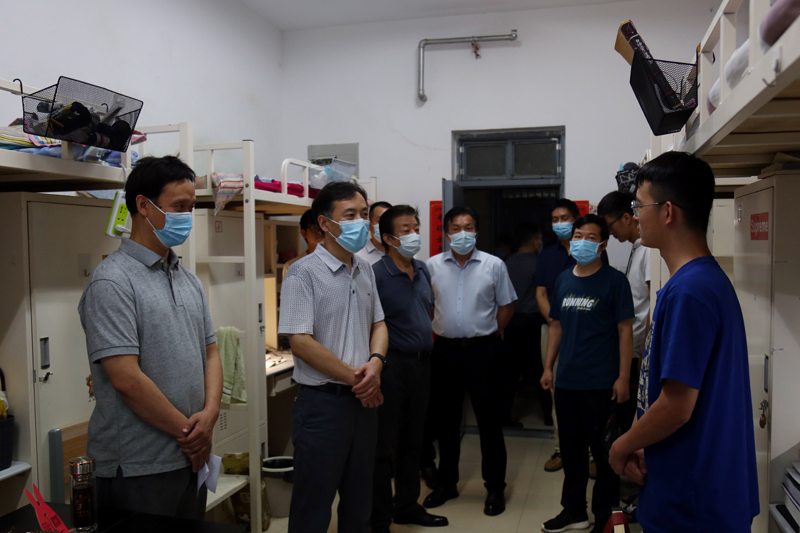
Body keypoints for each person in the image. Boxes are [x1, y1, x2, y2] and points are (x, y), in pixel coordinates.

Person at [609, 152, 759, 532]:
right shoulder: (694, 282)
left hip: (694, 503)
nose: (635, 216)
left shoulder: (691, 292)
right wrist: (642, 439)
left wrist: (621, 445)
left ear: (667, 212)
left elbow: (676, 406)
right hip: (688, 486)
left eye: (639, 206)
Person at [78, 156, 221, 519]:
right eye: (179, 206)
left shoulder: (187, 279)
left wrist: (210, 415)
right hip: (138, 465)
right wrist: (192, 434)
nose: (187, 216)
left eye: (191, 207)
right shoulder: (112, 281)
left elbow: (211, 353)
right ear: (143, 205)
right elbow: (127, 379)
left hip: (190, 456)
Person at [279, 181, 389, 533]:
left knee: (359, 505)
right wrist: (358, 379)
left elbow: (379, 323)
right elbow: (300, 342)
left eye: (363, 214)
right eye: (350, 215)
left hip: (363, 404)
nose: (361, 222)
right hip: (323, 406)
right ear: (325, 224)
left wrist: (376, 362)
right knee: (313, 508)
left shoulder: (365, 268)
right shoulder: (303, 272)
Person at [540, 214, 634, 533]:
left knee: (604, 455)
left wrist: (623, 377)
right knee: (571, 451)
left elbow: (624, 331)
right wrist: (548, 367)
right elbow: (556, 326)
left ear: (603, 245)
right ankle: (574, 511)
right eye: (578, 236)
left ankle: (604, 517)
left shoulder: (615, 282)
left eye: (591, 238)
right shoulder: (564, 279)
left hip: (601, 383)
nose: (582, 242)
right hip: (567, 381)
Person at [424, 206, 517, 517]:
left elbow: (506, 306)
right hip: (445, 351)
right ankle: (446, 484)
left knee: (489, 422)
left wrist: (493, 331)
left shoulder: (494, 265)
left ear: (476, 232)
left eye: (468, 227)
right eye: (456, 228)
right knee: (446, 422)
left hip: (484, 350)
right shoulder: (432, 266)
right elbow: (428, 307)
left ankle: (495, 488)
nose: (462, 233)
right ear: (446, 233)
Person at [371, 205, 448, 532]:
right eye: (406, 230)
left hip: (422, 364)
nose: (415, 234)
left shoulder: (422, 269)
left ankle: (406, 506)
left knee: (414, 440)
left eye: (416, 228)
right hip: (391, 366)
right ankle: (378, 518)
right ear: (388, 238)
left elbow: (427, 311)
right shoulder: (375, 275)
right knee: (383, 445)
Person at [535, 199, 609, 472]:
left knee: (590, 394)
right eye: (555, 219)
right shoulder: (547, 255)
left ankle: (592, 454)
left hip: (587, 331)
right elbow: (541, 293)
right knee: (557, 390)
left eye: (564, 217)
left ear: (577, 218)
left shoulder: (594, 250)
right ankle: (561, 449)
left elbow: (601, 290)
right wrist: (555, 320)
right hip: (553, 330)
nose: (560, 223)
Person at [598, 191, 651, 434]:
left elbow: (652, 303)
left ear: (627, 218)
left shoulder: (649, 250)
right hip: (631, 348)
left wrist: (644, 354)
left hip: (638, 350)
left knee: (630, 416)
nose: (610, 232)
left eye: (610, 225)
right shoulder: (636, 248)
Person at [502, 222, 551, 427]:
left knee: (509, 372)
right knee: (542, 368)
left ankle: (504, 416)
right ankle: (549, 416)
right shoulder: (539, 264)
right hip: (534, 322)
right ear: (534, 241)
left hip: (510, 322)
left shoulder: (505, 264)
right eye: (539, 239)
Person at [281, 208, 324, 281]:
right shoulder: (293, 266)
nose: (320, 232)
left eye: (323, 226)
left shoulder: (340, 261)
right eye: (314, 227)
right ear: (304, 233)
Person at [356, 201, 392, 265]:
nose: (385, 225)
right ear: (369, 224)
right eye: (380, 221)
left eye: (389, 221)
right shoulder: (358, 256)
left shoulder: (403, 252)